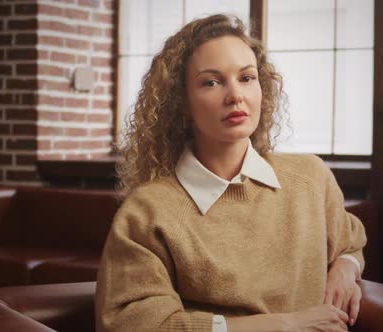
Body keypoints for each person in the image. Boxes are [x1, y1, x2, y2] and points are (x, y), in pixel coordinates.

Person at [96, 14, 367, 332]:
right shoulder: (149, 211)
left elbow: (350, 242)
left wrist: (346, 269)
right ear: (181, 102)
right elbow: (131, 325)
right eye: (211, 82)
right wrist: (282, 325)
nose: (235, 95)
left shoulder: (311, 178)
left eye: (247, 78)